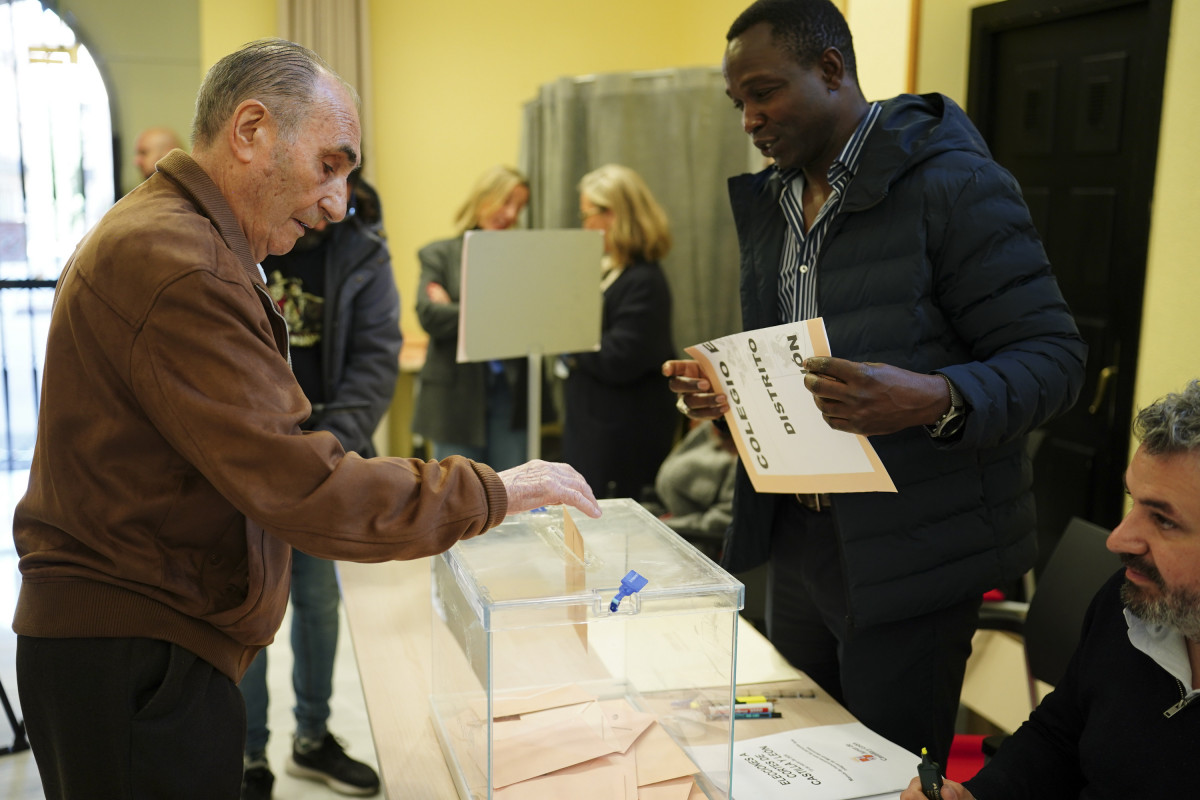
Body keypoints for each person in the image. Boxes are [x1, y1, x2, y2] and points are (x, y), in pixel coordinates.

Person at [11, 39, 599, 800]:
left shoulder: (178, 237)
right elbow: (299, 483)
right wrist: (494, 491)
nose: (339, 202)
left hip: (143, 637)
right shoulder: (179, 259)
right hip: (134, 650)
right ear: (251, 131)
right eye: (330, 165)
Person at [663, 0, 1086, 767]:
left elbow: (1056, 361)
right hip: (796, 539)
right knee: (792, 757)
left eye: (765, 92)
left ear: (831, 69)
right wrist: (731, 399)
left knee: (881, 773)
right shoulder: (771, 204)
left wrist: (933, 397)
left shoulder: (953, 185)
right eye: (739, 104)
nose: (751, 120)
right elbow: (795, 364)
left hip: (912, 555)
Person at [900, 380, 1200, 799]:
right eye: (1134, 502)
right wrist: (979, 795)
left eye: (1164, 521)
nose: (1117, 541)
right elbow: (1059, 736)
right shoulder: (1131, 603)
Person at [239, 173, 397, 799]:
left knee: (317, 600)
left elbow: (375, 358)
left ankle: (313, 737)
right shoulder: (239, 240)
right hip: (247, 455)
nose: (328, 201)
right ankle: (248, 756)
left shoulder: (364, 252)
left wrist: (327, 451)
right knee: (249, 605)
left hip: (328, 457)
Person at [412, 165, 543, 470]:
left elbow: (534, 318)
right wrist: (501, 311)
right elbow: (430, 315)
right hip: (455, 399)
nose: (511, 214)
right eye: (506, 201)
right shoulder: (439, 255)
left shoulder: (524, 258)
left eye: (519, 207)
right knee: (457, 496)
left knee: (511, 493)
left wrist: (458, 307)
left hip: (509, 396)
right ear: (484, 198)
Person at [562, 164, 679, 499]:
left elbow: (618, 359)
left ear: (613, 214)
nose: (584, 226)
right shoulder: (612, 272)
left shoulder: (643, 281)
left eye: (587, 216)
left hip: (623, 434)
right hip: (595, 424)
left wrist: (566, 335)